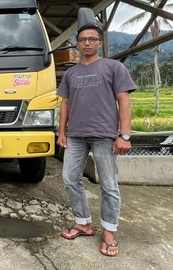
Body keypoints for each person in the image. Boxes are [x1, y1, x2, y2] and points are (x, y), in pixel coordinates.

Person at [56, 22, 136, 257]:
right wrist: (61, 132)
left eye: (92, 39)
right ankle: (83, 223)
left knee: (109, 185)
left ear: (100, 43)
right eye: (83, 40)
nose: (87, 43)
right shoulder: (71, 73)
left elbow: (124, 101)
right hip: (76, 135)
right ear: (77, 44)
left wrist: (125, 135)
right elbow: (65, 104)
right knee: (70, 178)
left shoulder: (113, 67)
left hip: (105, 135)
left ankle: (109, 231)